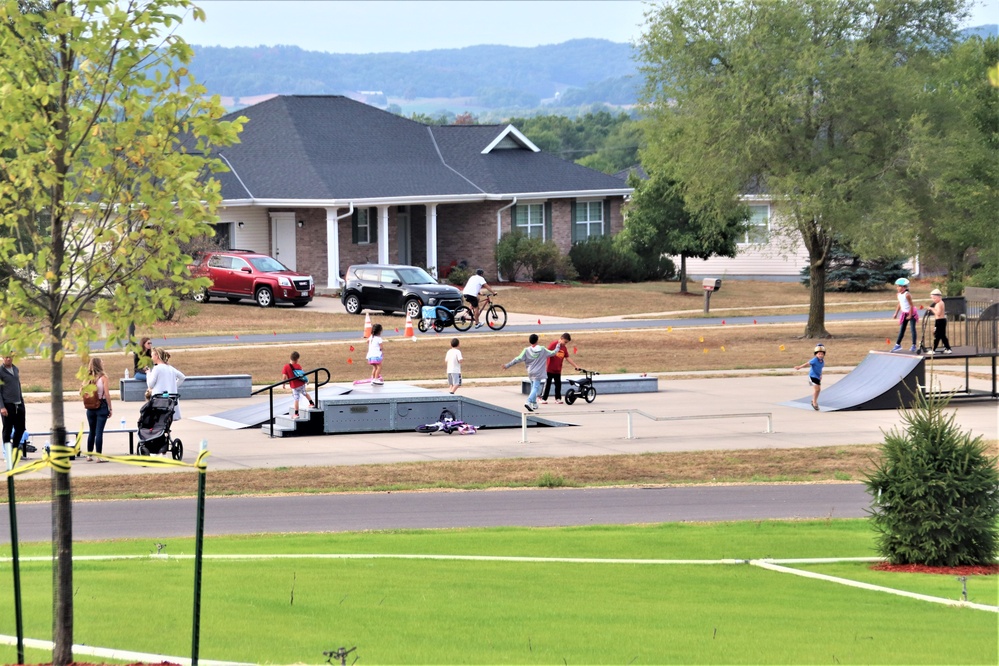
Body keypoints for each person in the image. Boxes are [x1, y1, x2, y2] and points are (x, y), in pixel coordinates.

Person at [502, 333, 559, 412]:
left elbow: (517, 359)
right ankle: (528, 401)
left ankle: (534, 402)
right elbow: (553, 353)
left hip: (530, 372)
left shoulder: (526, 350)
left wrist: (507, 365)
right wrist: (558, 347)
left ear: (530, 341)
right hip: (538, 372)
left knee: (533, 387)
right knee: (535, 388)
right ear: (537, 340)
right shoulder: (542, 349)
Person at [84, 357, 113, 462]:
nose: (103, 363)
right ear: (99, 365)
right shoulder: (103, 378)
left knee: (91, 431)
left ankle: (89, 455)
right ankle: (99, 456)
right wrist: (110, 408)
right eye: (102, 362)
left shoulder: (88, 378)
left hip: (90, 407)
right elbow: (107, 394)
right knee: (99, 432)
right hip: (101, 406)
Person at [0, 352, 28, 459]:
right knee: (7, 429)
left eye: (10, 357)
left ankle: (15, 451)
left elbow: (18, 386)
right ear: (3, 358)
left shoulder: (16, 369)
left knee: (20, 428)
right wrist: (2, 407)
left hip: (19, 404)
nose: (8, 359)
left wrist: (22, 402)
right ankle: (7, 453)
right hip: (7, 405)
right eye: (6, 357)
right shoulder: (1, 371)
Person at [146, 347, 186, 419]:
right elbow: (182, 377)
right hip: (170, 401)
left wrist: (148, 373)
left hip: (158, 401)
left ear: (157, 356)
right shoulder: (171, 368)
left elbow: (150, 385)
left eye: (152, 356)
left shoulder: (157, 368)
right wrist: (173, 387)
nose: (151, 358)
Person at [540, 333, 580, 404]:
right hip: (550, 369)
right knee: (547, 384)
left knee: (558, 385)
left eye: (566, 343)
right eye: (565, 342)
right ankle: (543, 398)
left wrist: (575, 366)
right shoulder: (554, 344)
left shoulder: (564, 348)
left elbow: (567, 357)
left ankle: (558, 398)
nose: (565, 344)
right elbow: (546, 353)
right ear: (561, 338)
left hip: (558, 370)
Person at [283, 351, 316, 418]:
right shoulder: (298, 365)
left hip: (294, 386)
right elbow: (303, 374)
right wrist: (306, 380)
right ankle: (311, 403)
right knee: (304, 393)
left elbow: (284, 376)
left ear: (290, 358)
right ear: (297, 359)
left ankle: (296, 413)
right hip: (301, 384)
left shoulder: (286, 367)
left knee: (296, 399)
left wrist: (284, 384)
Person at [794, 344, 826, 411]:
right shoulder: (814, 360)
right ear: (816, 354)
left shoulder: (822, 362)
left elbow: (820, 369)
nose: (820, 355)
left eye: (822, 354)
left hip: (817, 377)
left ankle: (813, 401)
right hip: (812, 376)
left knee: (818, 390)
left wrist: (821, 375)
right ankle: (814, 402)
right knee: (817, 389)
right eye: (819, 354)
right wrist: (800, 367)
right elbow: (807, 363)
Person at [891, 277, 918, 352]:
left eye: (899, 286)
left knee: (912, 329)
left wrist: (910, 315)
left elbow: (911, 305)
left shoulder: (907, 295)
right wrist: (896, 313)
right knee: (902, 329)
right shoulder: (898, 295)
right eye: (897, 286)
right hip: (904, 313)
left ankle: (914, 345)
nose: (897, 288)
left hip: (912, 313)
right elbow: (900, 303)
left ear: (904, 287)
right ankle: (898, 345)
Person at [928, 289, 953, 354]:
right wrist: (933, 309)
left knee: (937, 335)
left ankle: (933, 349)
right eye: (932, 298)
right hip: (941, 320)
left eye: (934, 298)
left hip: (940, 321)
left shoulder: (939, 304)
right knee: (942, 336)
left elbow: (938, 313)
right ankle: (948, 348)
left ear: (939, 297)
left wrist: (931, 309)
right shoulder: (941, 303)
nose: (933, 300)